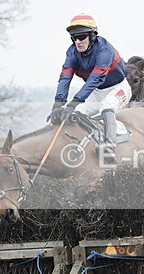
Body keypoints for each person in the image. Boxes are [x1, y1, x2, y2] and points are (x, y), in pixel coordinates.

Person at [49, 13, 131, 162]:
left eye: (81, 37)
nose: (77, 42)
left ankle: (110, 147)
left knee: (106, 106)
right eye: (74, 38)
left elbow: (95, 79)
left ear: (92, 36)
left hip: (118, 88)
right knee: (76, 113)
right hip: (97, 92)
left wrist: (73, 102)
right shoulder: (72, 52)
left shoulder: (104, 50)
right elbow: (65, 77)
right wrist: (58, 104)